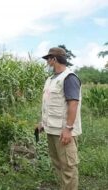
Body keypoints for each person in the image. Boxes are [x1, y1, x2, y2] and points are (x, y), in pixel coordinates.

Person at [37, 47, 82, 190]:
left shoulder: (69, 78)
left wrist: (68, 129)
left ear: (54, 59)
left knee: (68, 167)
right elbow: (49, 104)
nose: (47, 62)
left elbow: (73, 104)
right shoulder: (50, 80)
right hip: (52, 130)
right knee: (58, 164)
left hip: (64, 132)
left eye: (48, 59)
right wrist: (42, 123)